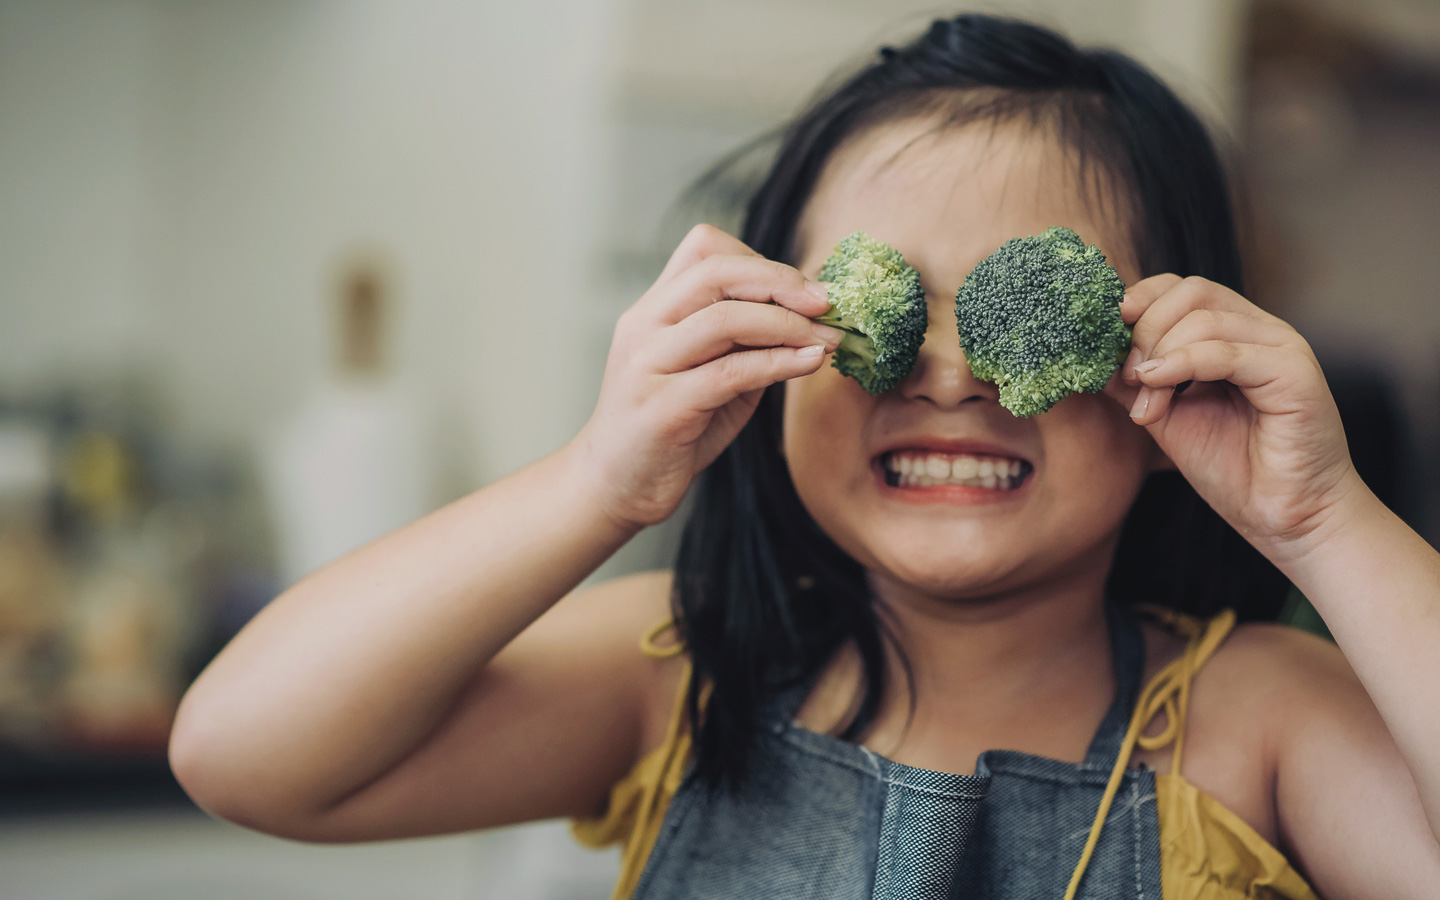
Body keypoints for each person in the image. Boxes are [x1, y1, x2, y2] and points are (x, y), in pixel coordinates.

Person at [168, 14, 1440, 899]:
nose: (946, 373)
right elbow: (240, 753)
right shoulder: (677, 671)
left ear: (1170, 381)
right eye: (875, 312)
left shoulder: (1260, 718)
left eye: (1019, 315)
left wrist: (1324, 523)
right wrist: (596, 481)